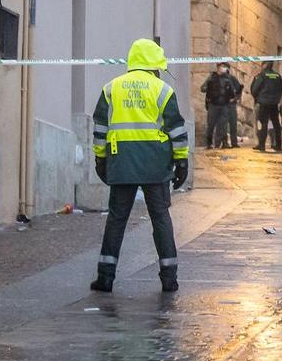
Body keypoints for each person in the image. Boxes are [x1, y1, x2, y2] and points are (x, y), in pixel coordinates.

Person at [89, 38, 189, 294]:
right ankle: (170, 277)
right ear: (155, 64)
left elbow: (100, 127)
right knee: (160, 217)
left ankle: (105, 277)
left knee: (117, 219)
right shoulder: (163, 90)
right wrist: (181, 161)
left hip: (122, 161)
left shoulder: (111, 88)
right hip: (155, 163)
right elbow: (176, 129)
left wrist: (101, 158)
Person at [199, 62, 238, 148]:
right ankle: (209, 144)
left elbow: (233, 92)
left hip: (224, 105)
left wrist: (233, 98)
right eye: (222, 66)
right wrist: (208, 88)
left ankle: (223, 143)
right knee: (211, 125)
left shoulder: (228, 79)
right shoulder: (211, 78)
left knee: (223, 125)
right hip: (213, 105)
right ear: (218, 67)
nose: (224, 68)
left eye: (225, 67)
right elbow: (202, 88)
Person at [250, 61, 282, 152]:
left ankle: (262, 145)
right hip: (274, 103)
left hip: (264, 103)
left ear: (264, 65)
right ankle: (278, 145)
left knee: (263, 124)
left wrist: (258, 98)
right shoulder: (277, 76)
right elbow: (281, 90)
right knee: (276, 124)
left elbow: (254, 89)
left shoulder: (262, 75)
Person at [221, 63, 243, 148]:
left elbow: (239, 91)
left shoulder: (233, 79)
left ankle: (234, 142)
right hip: (222, 105)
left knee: (233, 123)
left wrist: (234, 99)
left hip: (231, 104)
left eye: (224, 67)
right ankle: (224, 142)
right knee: (223, 124)